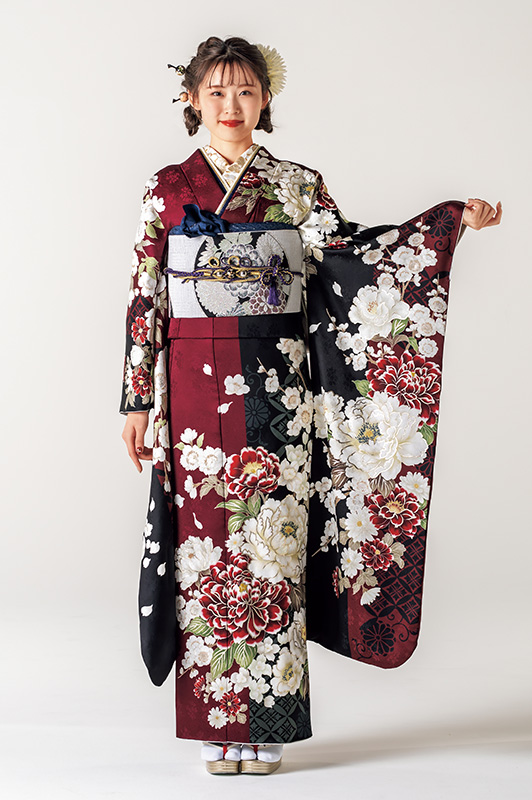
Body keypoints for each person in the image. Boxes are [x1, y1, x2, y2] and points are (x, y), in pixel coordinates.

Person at [120, 36, 502, 776]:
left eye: (245, 91)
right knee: (205, 548)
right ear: (191, 100)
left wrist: (448, 222)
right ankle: (215, 724)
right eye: (216, 92)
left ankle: (266, 721)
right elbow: (145, 294)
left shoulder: (296, 186)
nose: (231, 106)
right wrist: (137, 399)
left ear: (266, 99)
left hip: (277, 386)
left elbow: (355, 257)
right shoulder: (166, 188)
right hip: (192, 387)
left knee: (272, 540)